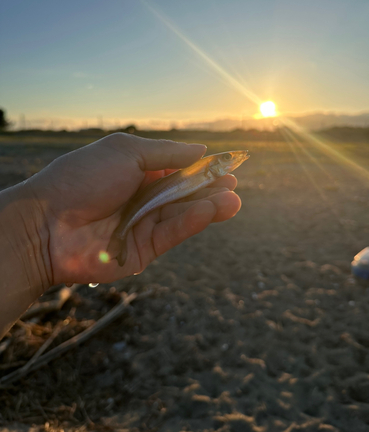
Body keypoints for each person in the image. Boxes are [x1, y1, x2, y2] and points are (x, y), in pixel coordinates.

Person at [0, 134, 241, 339]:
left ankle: (120, 237)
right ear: (215, 164)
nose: (233, 159)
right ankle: (120, 236)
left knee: (204, 208)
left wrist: (34, 239)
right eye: (227, 157)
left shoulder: (208, 172)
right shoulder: (206, 169)